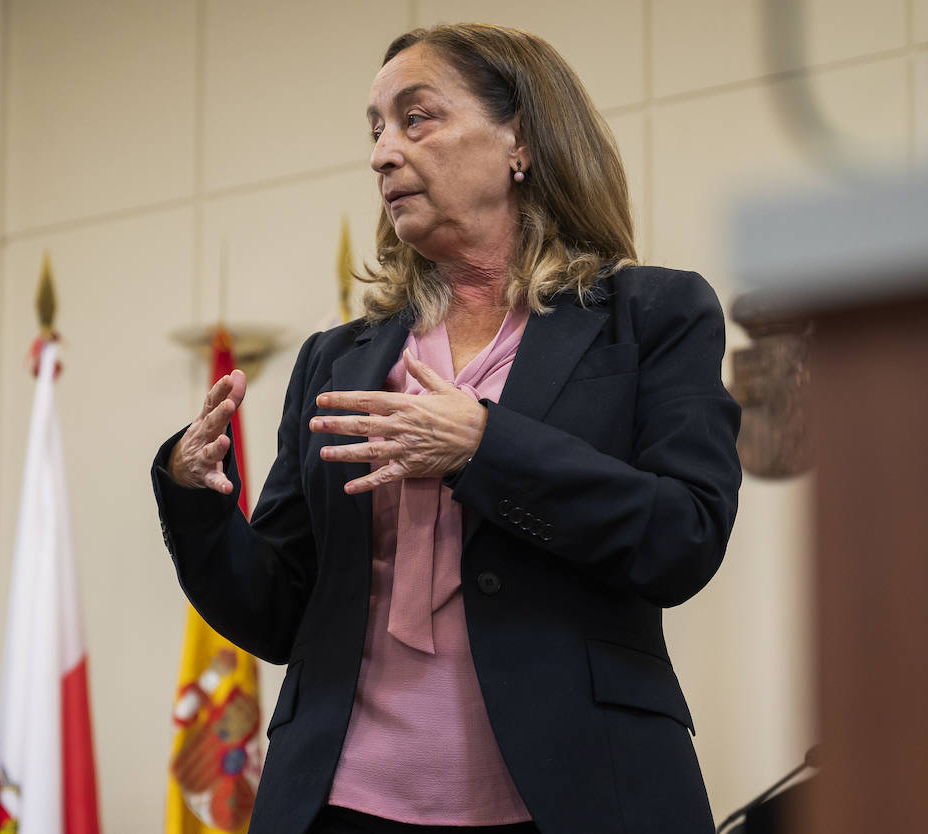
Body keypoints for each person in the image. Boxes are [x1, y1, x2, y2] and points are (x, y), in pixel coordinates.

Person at [151, 22, 742, 834]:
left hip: (577, 791)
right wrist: (196, 497)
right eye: (375, 130)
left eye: (415, 118)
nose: (382, 154)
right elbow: (282, 611)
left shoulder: (650, 319)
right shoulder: (337, 360)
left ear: (519, 139)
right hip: (342, 800)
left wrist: (484, 447)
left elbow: (685, 536)